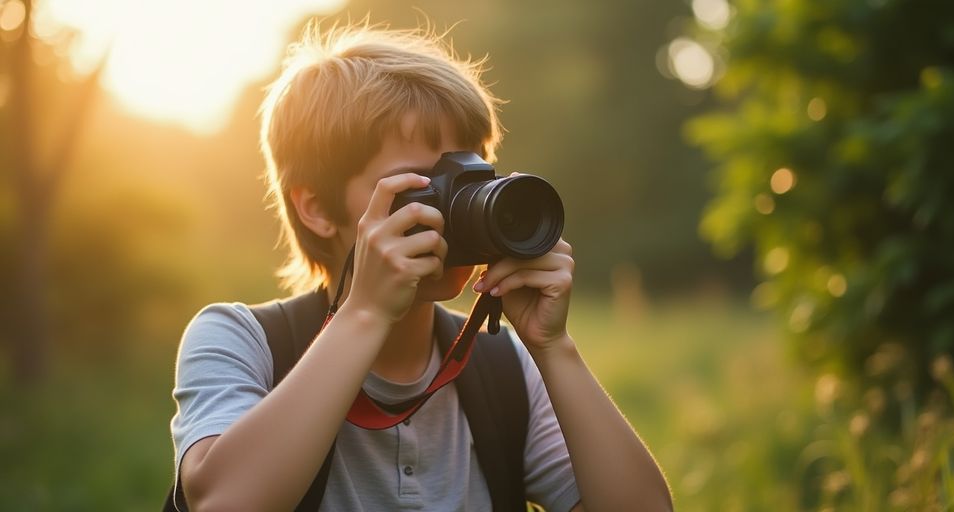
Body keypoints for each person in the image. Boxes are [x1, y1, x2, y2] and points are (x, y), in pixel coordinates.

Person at [170, 22, 672, 512]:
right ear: (317, 209)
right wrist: (365, 312)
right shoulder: (240, 339)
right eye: (420, 186)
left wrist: (553, 347)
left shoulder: (502, 368)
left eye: (467, 177)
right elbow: (224, 501)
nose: (452, 209)